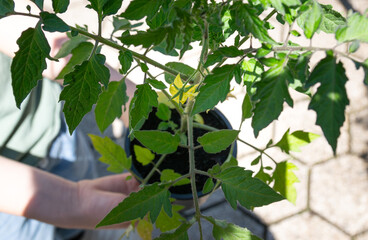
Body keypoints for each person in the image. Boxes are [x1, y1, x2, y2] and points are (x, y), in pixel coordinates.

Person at [0, 2, 140, 239]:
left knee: (90, 191)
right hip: (8, 205)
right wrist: (74, 202)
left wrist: (133, 104)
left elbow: (24, 29)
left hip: (53, 132)